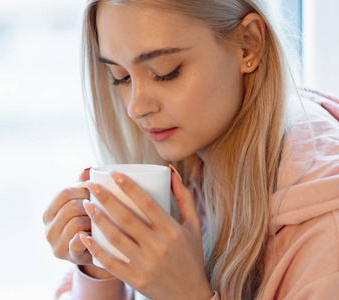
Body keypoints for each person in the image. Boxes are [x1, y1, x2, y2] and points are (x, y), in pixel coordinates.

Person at [43, 0, 339, 299]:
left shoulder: (329, 232)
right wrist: (102, 266)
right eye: (121, 76)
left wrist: (185, 293)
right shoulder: (194, 166)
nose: (136, 107)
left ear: (249, 45)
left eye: (166, 72)